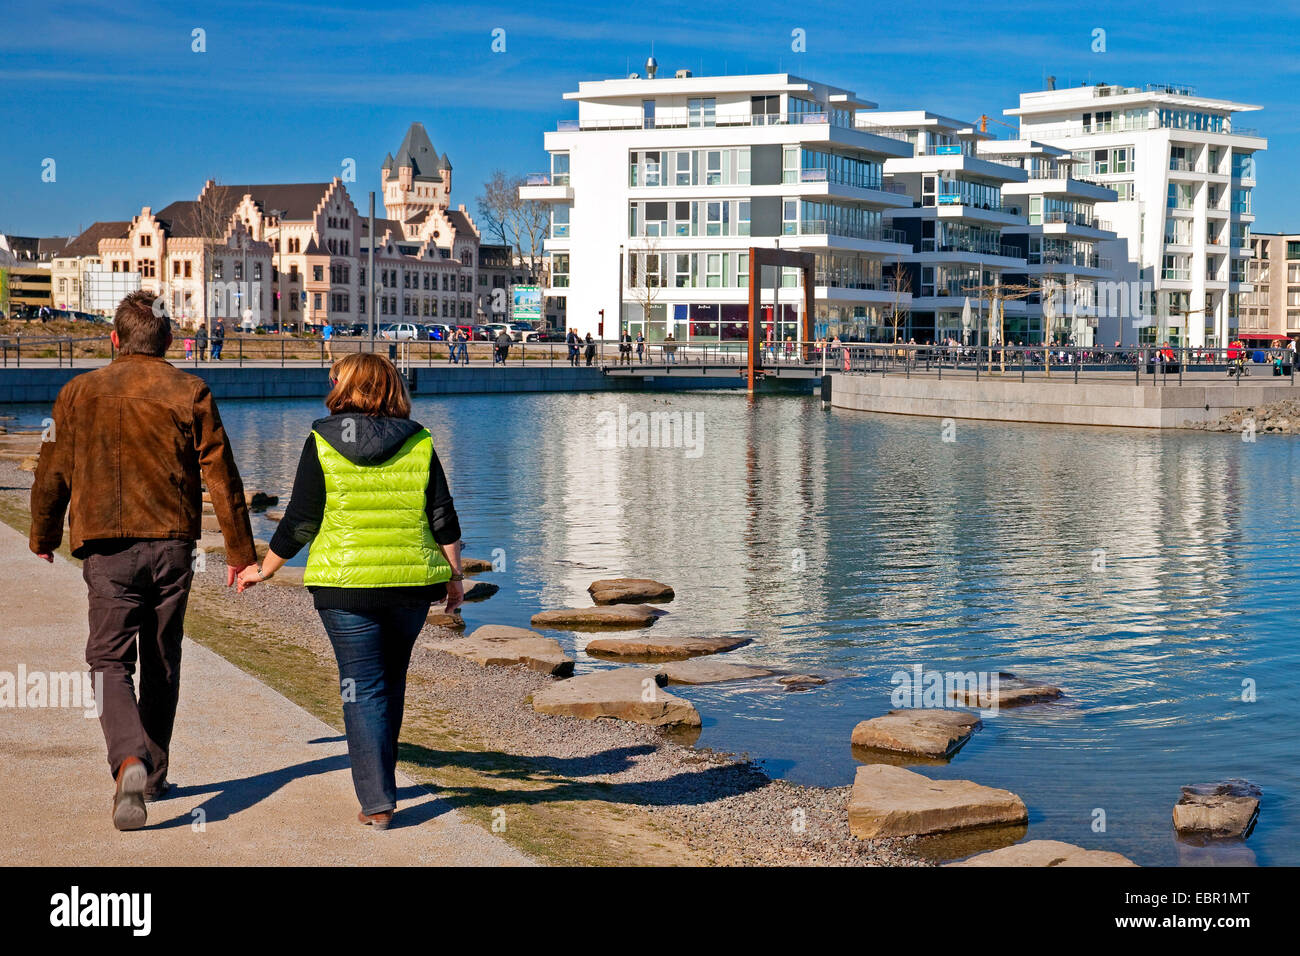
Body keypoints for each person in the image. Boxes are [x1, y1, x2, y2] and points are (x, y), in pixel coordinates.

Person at [28, 290, 257, 831]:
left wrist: (43, 533)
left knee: (108, 660)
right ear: (168, 343)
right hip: (172, 544)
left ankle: (129, 759)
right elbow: (221, 476)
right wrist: (240, 552)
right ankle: (151, 776)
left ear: (114, 340)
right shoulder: (191, 390)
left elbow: (52, 469)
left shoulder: (77, 393)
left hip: (106, 545)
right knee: (162, 660)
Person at [238, 353, 463, 829]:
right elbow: (442, 515)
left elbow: (301, 519)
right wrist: (455, 577)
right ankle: (381, 785)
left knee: (363, 688)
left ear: (345, 386)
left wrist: (267, 569)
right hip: (411, 583)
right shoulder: (419, 439)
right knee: (390, 681)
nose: (328, 380)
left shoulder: (321, 439)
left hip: (345, 585)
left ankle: (378, 801)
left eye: (334, 375)